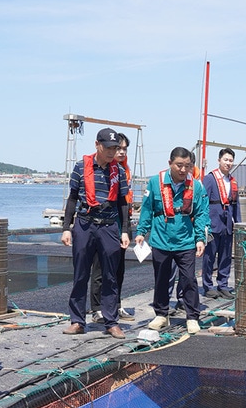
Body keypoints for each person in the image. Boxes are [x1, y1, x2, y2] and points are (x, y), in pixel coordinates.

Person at [61, 128, 131, 338]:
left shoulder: (118, 171)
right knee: (80, 273)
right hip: (85, 224)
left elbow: (123, 204)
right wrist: (66, 227)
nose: (112, 152)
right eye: (108, 147)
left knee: (110, 274)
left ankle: (111, 321)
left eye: (115, 148)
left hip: (109, 225)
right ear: (97, 145)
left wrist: (125, 230)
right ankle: (77, 320)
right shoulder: (81, 167)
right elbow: (72, 198)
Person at [138, 147, 209, 335]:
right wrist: (141, 231)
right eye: (179, 165)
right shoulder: (155, 182)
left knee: (188, 279)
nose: (183, 170)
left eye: (188, 166)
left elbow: (201, 213)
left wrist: (200, 238)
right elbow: (147, 209)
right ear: (170, 163)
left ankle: (192, 316)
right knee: (161, 278)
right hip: (161, 238)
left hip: (185, 240)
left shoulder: (197, 186)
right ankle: (161, 313)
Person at [90, 134, 133, 323]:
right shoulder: (102, 169)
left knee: (119, 268)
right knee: (100, 267)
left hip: (120, 223)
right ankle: (97, 307)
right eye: (118, 148)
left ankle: (116, 303)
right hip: (103, 223)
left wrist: (126, 228)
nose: (121, 152)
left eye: (124, 149)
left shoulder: (124, 171)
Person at [200, 148, 241, 298]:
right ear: (219, 160)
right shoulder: (210, 178)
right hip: (213, 222)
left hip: (227, 223)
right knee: (209, 256)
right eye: (226, 160)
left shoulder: (232, 181)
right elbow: (203, 201)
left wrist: (239, 223)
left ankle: (223, 284)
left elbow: (236, 204)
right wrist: (204, 223)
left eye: (230, 160)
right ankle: (207, 285)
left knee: (225, 256)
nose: (228, 163)